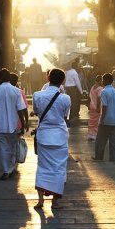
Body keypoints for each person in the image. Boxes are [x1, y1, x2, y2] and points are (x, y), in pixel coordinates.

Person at [33, 68, 71, 210]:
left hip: (44, 135)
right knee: (59, 168)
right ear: (62, 81)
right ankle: (55, 201)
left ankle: (41, 200)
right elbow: (65, 116)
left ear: (48, 78)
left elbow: (37, 112)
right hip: (59, 135)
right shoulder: (65, 98)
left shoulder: (37, 95)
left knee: (42, 167)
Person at [0, 68, 27, 180]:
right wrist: (24, 123)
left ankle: (6, 170)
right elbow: (20, 108)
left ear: (0, 78)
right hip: (13, 125)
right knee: (12, 147)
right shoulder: (16, 91)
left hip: (0, 125)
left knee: (3, 148)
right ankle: (11, 168)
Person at [93, 72, 115, 162]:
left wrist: (102, 119)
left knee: (101, 139)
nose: (102, 81)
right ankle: (112, 158)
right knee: (113, 141)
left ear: (106, 81)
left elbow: (104, 106)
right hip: (114, 119)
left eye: (103, 80)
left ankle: (99, 156)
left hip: (106, 119)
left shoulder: (104, 91)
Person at [87, 75, 103, 141]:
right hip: (97, 107)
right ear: (100, 81)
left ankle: (90, 135)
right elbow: (99, 98)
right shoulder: (100, 88)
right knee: (96, 122)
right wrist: (98, 107)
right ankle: (95, 135)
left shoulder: (93, 87)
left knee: (92, 121)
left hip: (92, 106)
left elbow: (90, 97)